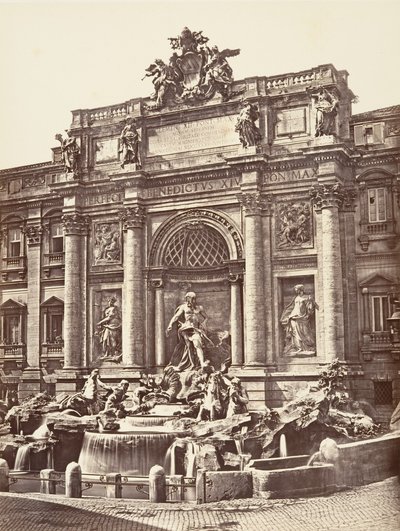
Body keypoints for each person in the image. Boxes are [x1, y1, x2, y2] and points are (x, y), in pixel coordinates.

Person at [166, 292, 209, 371]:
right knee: (189, 347)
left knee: (197, 343)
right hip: (186, 328)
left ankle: (202, 363)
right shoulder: (183, 307)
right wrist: (170, 325)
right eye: (188, 299)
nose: (190, 301)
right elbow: (176, 317)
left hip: (195, 329)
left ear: (194, 299)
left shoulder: (199, 308)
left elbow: (206, 317)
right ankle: (192, 364)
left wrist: (203, 324)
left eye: (192, 299)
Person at [280, 284, 317, 355]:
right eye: (295, 290)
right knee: (294, 332)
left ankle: (307, 347)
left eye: (297, 289)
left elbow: (310, 308)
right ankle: (298, 347)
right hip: (293, 317)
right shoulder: (296, 298)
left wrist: (308, 315)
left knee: (305, 332)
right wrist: (287, 314)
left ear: (301, 289)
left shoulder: (307, 297)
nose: (296, 291)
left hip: (303, 317)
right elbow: (292, 306)